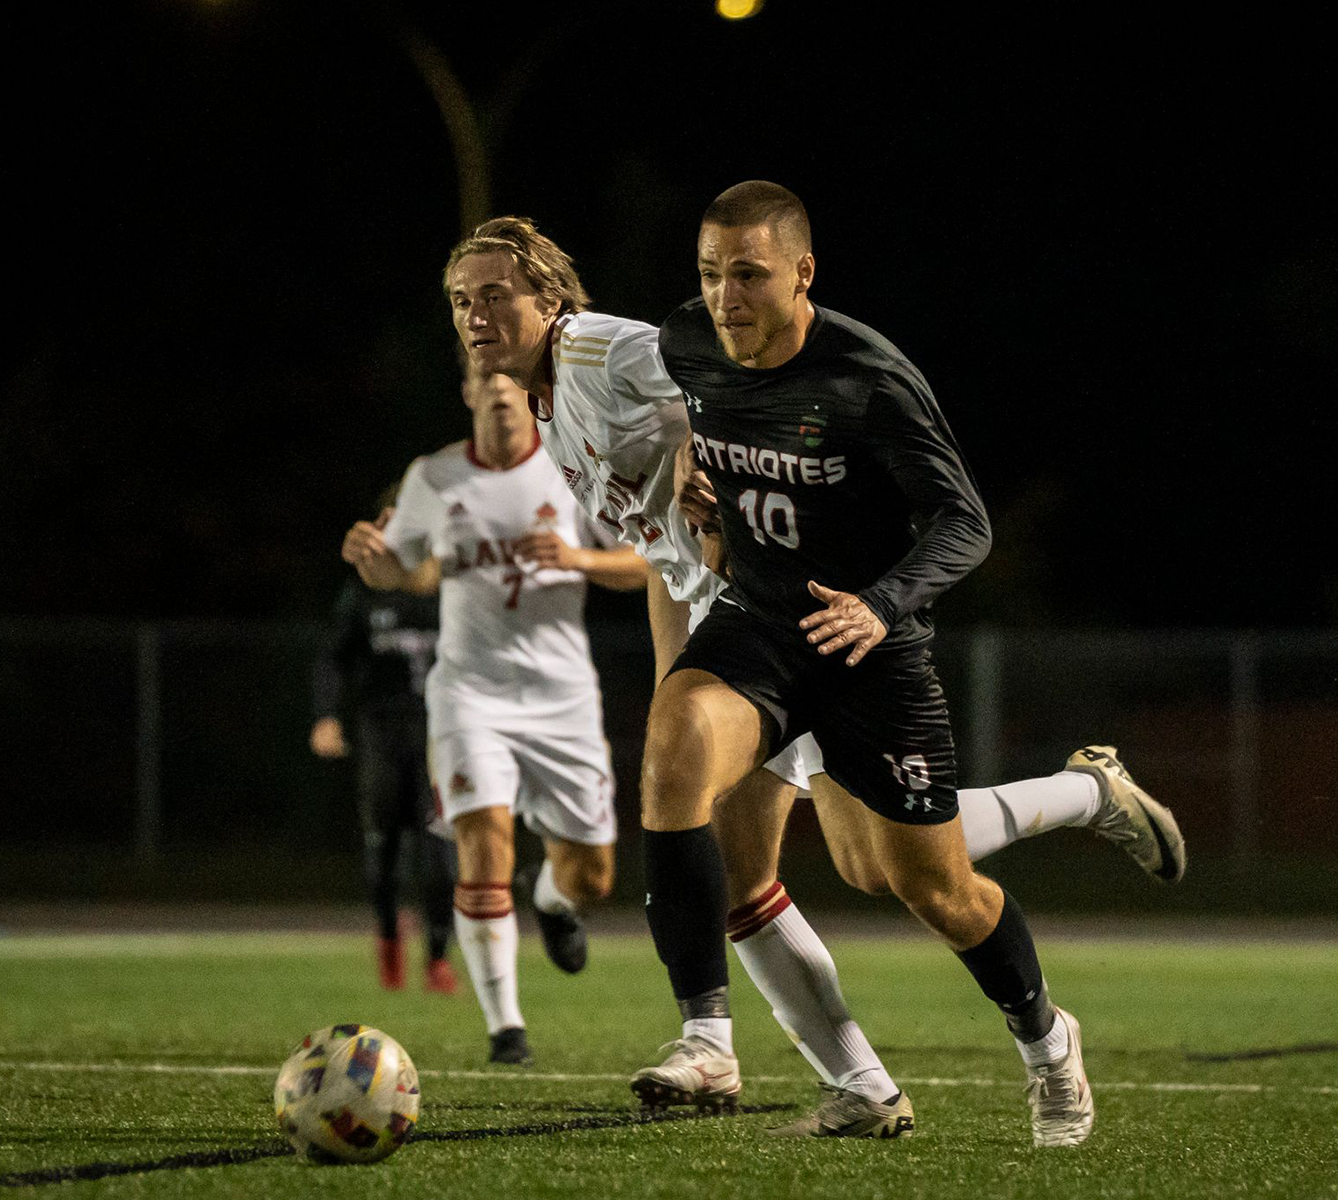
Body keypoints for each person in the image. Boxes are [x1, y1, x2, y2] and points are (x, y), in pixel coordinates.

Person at [440, 213, 1184, 1141]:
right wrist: (682, 685)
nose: (475, 315)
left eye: (496, 294)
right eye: (461, 301)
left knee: (900, 872)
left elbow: (719, 375)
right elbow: (669, 555)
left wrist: (694, 447)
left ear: (551, 300)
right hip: (743, 620)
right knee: (749, 854)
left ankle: (1080, 803)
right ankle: (822, 1075)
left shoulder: (598, 354)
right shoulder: (547, 409)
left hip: (823, 612)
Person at [340, 363, 651, 1065]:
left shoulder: (572, 467)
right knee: (482, 846)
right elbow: (410, 571)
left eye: (519, 390)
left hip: (561, 696)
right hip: (468, 694)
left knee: (592, 877)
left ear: (535, 399)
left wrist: (575, 557)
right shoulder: (436, 476)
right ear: (471, 394)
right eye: (492, 387)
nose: (506, 399)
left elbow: (645, 561)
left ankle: (551, 900)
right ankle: (506, 1027)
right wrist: (374, 562)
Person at [311, 490, 457, 995]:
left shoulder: (455, 587)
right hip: (382, 735)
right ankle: (390, 940)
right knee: (386, 850)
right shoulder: (367, 592)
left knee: (442, 857)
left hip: (443, 739)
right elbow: (332, 656)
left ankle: (438, 956)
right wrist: (327, 717)